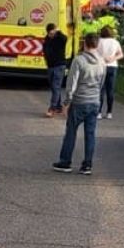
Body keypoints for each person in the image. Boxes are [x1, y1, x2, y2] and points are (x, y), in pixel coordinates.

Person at [52, 33, 105, 176]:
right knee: (90, 134)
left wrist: (66, 102)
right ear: (97, 44)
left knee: (71, 132)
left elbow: (71, 84)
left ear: (85, 44)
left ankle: (65, 162)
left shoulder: (79, 61)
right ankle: (87, 165)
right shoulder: (102, 62)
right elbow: (101, 83)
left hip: (79, 102)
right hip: (94, 102)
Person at [97, 27, 124, 120]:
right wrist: (112, 58)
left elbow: (95, 53)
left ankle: (99, 112)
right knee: (110, 90)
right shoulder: (115, 42)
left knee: (100, 89)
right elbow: (120, 54)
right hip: (112, 66)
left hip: (101, 66)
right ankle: (109, 112)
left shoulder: (99, 41)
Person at [43, 23, 69, 117]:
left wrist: (58, 31)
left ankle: (52, 108)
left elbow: (65, 38)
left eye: (52, 32)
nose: (51, 35)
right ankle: (58, 107)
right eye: (50, 33)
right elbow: (45, 50)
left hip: (59, 65)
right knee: (54, 88)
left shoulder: (60, 38)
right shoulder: (47, 40)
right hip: (50, 66)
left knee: (56, 86)